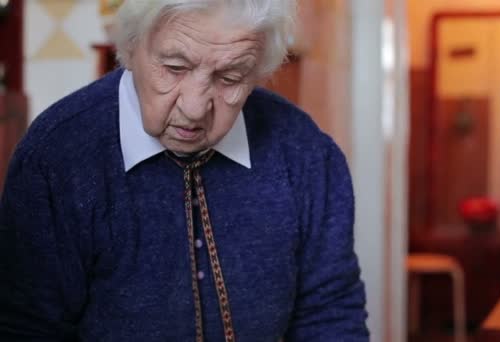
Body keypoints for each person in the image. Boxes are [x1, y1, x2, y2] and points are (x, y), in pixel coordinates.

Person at [0, 1, 369, 341]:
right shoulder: (57, 155)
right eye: (175, 68)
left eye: (230, 77)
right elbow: (27, 327)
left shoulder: (305, 153)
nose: (194, 109)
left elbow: (331, 315)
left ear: (258, 72)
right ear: (130, 49)